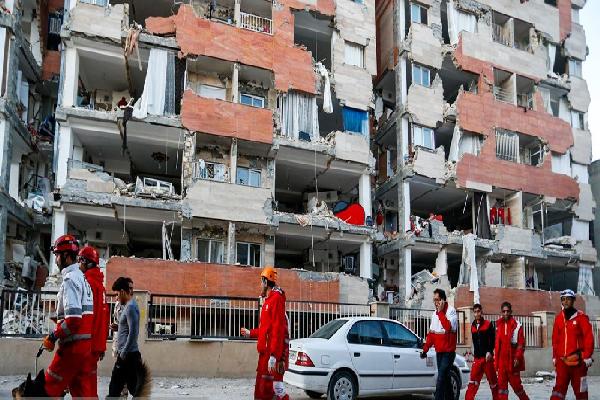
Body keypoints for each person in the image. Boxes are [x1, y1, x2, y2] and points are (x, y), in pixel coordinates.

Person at [42, 234, 95, 397]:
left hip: (72, 348)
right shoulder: (82, 278)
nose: (56, 260)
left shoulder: (70, 280)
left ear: (66, 255)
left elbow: (73, 321)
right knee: (82, 394)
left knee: (48, 388)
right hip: (84, 348)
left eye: (57, 255)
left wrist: (53, 335)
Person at [241, 266, 290, 400]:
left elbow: (277, 329)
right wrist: (250, 333)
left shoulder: (276, 299)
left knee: (273, 390)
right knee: (262, 391)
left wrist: (273, 356)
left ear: (266, 281)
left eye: (261, 281)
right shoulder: (268, 300)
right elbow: (266, 329)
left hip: (271, 354)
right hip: (265, 354)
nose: (260, 285)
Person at [108, 277, 149, 398]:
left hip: (128, 356)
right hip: (127, 355)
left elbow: (133, 333)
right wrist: (118, 328)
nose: (117, 298)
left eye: (117, 294)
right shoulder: (127, 306)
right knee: (130, 389)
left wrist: (123, 353)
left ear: (122, 291)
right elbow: (127, 328)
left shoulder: (131, 307)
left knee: (117, 389)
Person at [551, 289, 594, 400]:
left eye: (568, 299)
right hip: (562, 363)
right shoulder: (559, 318)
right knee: (557, 392)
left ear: (573, 300)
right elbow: (555, 340)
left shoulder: (581, 317)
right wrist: (555, 357)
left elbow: (589, 338)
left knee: (581, 392)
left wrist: (587, 356)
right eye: (563, 299)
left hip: (578, 362)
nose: (565, 302)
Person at [78, 245, 109, 398]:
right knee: (90, 383)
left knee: (82, 387)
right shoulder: (100, 286)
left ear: (85, 261)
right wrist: (101, 345)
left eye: (80, 260)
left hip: (86, 343)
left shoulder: (87, 283)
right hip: (96, 343)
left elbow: (85, 316)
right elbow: (104, 317)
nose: (78, 264)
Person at [420, 288, 458, 400]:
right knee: (445, 378)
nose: (435, 303)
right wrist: (425, 349)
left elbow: (448, 327)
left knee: (440, 378)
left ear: (443, 300)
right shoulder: (434, 314)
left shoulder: (451, 311)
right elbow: (431, 335)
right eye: (434, 300)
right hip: (439, 352)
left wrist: (441, 312)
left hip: (448, 353)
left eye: (437, 300)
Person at [494, 302, 529, 400]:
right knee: (502, 390)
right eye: (504, 311)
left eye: (507, 311)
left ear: (511, 312)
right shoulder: (498, 325)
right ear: (501, 312)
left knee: (518, 388)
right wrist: (496, 362)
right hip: (502, 363)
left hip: (512, 362)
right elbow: (497, 345)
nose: (505, 313)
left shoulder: (517, 325)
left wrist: (517, 357)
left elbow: (521, 344)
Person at [465, 303, 498, 400]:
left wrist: (489, 351)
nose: (477, 314)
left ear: (481, 312)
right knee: (472, 382)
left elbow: (492, 340)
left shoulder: (488, 324)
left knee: (493, 382)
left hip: (487, 359)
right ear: (473, 313)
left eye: (478, 311)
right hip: (477, 359)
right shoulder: (472, 326)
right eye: (475, 312)